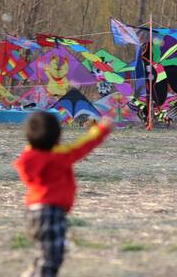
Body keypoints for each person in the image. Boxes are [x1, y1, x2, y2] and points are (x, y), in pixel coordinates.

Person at [13, 112, 112, 277]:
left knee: (44, 254)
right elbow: (83, 146)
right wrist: (100, 130)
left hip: (33, 212)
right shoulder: (60, 156)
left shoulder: (27, 158)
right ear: (58, 136)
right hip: (52, 213)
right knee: (52, 259)